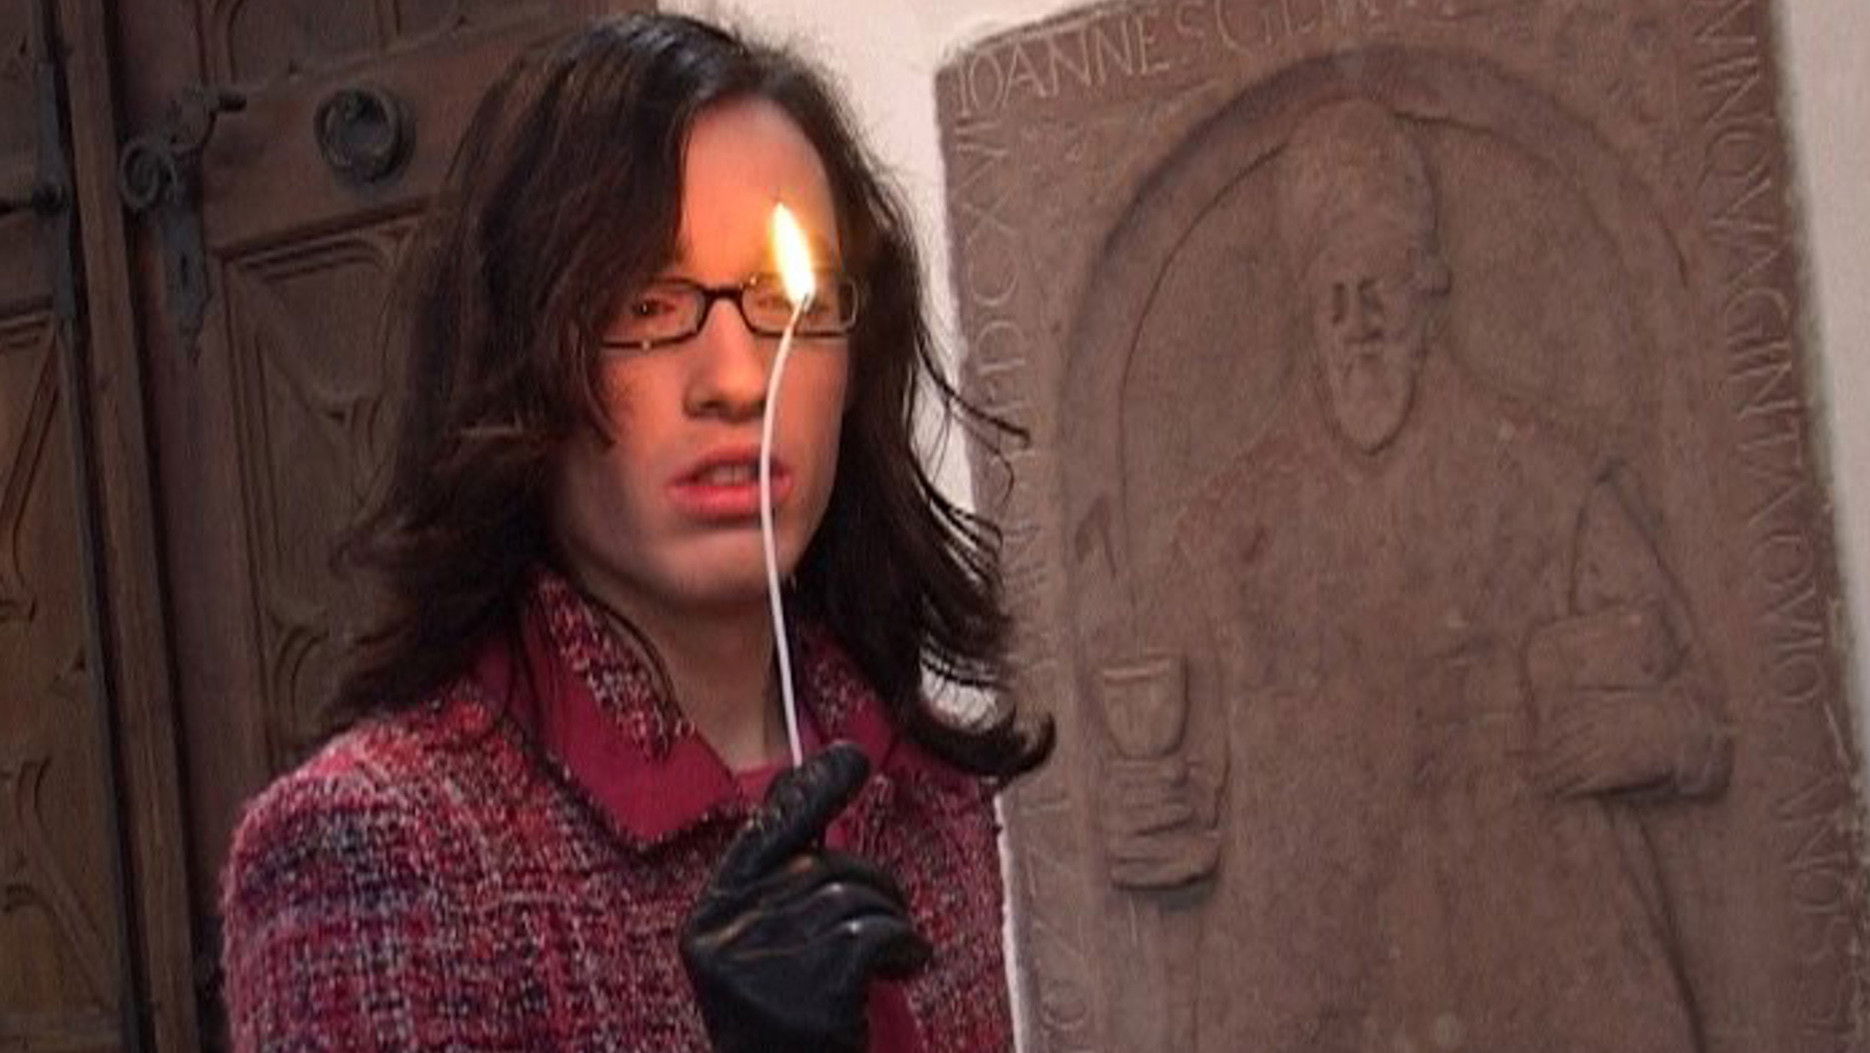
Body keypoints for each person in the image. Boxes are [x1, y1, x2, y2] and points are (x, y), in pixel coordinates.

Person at [218, 13, 1050, 1052]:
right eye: (650, 305)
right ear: (519, 363)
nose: (738, 380)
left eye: (782, 301)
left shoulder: (923, 786)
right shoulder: (380, 850)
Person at [1093, 98, 1728, 1051]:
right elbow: (1161, 788)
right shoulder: (1222, 537)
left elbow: (1702, 717)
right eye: (1334, 295)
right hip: (1316, 999)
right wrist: (1137, 822)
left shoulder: (1549, 486)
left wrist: (1652, 734)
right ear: (1306, 313)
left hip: (1550, 983)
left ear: (1430, 289)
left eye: (1380, 286)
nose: (1359, 322)